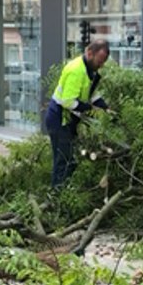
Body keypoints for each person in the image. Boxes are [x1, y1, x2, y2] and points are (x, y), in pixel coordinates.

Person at [43, 39, 110, 187]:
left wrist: (105, 108)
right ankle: (57, 198)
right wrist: (90, 109)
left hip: (67, 120)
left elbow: (91, 93)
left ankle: (64, 193)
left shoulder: (89, 70)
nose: (101, 65)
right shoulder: (76, 70)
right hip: (59, 118)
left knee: (70, 161)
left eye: (103, 62)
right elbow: (67, 101)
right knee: (63, 162)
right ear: (89, 53)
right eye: (99, 61)